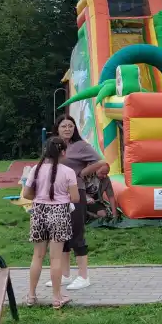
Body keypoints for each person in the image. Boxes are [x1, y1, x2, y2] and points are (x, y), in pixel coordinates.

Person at [52, 115, 108, 290]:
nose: (67, 129)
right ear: (57, 128)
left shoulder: (81, 146)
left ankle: (83, 276)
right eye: (64, 126)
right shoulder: (54, 146)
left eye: (70, 126)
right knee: (62, 233)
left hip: (77, 192)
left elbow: (100, 161)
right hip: (58, 194)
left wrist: (83, 173)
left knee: (76, 231)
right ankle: (65, 275)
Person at [24, 136, 80, 309]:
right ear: (63, 152)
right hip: (60, 212)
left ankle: (31, 296)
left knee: (37, 256)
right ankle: (57, 298)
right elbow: (76, 197)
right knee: (56, 258)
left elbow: (26, 194)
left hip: (39, 211)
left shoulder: (36, 169)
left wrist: (41, 198)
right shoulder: (68, 172)